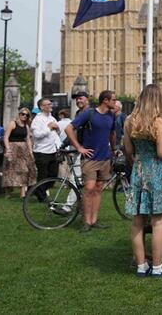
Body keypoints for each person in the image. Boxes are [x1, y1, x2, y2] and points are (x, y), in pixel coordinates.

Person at [123, 83, 162, 278]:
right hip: (157, 172)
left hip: (139, 171)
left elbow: (128, 151)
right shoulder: (159, 122)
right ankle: (157, 267)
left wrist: (137, 163)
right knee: (157, 221)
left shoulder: (129, 121)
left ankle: (141, 266)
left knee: (137, 221)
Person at [66, 90, 118, 232]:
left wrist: (113, 150)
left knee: (98, 189)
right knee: (89, 189)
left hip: (105, 158)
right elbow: (69, 128)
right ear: (105, 101)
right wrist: (79, 147)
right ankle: (86, 221)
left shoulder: (111, 116)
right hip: (89, 158)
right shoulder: (89, 114)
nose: (115, 102)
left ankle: (94, 220)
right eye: (113, 99)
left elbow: (112, 133)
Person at [3, 107, 38, 198]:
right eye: (23, 114)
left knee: (24, 169)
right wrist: (8, 149)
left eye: (27, 115)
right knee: (10, 170)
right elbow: (6, 137)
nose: (24, 116)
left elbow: (28, 139)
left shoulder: (26, 126)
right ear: (19, 114)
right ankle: (7, 192)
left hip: (23, 149)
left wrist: (30, 151)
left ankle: (22, 193)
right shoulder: (12, 123)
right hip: (12, 147)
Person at [31, 99, 61, 199]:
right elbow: (36, 135)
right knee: (43, 176)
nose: (50, 105)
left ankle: (36, 189)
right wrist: (48, 128)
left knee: (53, 175)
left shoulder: (52, 118)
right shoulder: (37, 120)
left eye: (50, 103)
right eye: (48, 104)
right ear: (42, 107)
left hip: (53, 151)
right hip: (41, 152)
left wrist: (57, 129)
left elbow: (56, 134)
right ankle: (41, 196)